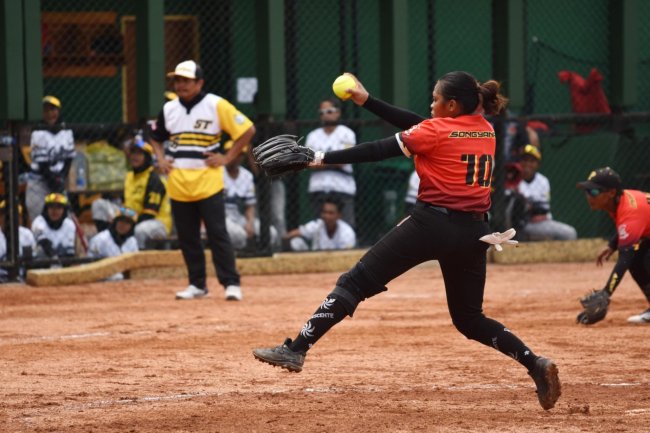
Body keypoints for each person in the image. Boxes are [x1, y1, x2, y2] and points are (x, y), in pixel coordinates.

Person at [253, 71, 561, 411]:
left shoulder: (436, 130)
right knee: (469, 319)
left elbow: (380, 149)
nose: (431, 105)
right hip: (475, 233)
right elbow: (423, 126)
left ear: (453, 105)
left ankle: (296, 349)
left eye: (436, 99)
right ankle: (536, 364)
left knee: (354, 283)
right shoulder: (484, 128)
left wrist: (320, 159)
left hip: (431, 225)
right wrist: (366, 101)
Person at [148, 60, 255, 301]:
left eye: (186, 80)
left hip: (208, 182)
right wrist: (160, 158)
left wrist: (227, 157)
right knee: (187, 236)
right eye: (177, 80)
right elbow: (154, 135)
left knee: (218, 233)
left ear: (199, 83)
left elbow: (247, 129)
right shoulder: (169, 109)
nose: (180, 85)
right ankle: (196, 284)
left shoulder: (215, 105)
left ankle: (231, 283)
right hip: (178, 183)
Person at [575, 167, 650, 324]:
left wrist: (606, 293)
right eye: (587, 191)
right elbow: (631, 226)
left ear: (610, 193)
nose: (589, 196)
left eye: (594, 192)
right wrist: (612, 245)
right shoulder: (618, 203)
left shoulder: (630, 210)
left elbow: (625, 258)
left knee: (637, 257)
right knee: (638, 256)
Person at [92, 136, 171, 249]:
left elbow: (149, 214)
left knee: (140, 230)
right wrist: (119, 217)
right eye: (133, 153)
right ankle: (110, 245)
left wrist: (126, 223)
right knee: (99, 205)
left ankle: (138, 261)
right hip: (130, 216)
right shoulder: (129, 176)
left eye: (139, 154)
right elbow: (124, 203)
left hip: (156, 223)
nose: (134, 157)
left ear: (147, 158)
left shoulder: (155, 180)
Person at [305, 98, 357, 227]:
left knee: (346, 226)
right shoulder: (313, 135)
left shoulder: (347, 133)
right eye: (322, 112)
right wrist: (334, 158)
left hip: (342, 187)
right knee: (319, 228)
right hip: (318, 187)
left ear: (338, 113)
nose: (325, 115)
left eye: (329, 111)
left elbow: (345, 160)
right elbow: (308, 162)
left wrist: (320, 160)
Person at [26, 96, 75, 223]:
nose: (50, 114)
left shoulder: (67, 132)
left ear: (58, 111)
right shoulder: (37, 133)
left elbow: (69, 160)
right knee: (38, 217)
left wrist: (61, 178)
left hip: (59, 179)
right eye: (46, 111)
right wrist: (55, 182)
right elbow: (42, 165)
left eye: (53, 110)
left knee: (65, 219)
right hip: (39, 181)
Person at [223, 140, 278, 251]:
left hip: (239, 218)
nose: (236, 157)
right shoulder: (218, 173)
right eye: (232, 153)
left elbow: (250, 206)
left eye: (240, 154)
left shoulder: (246, 175)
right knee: (239, 235)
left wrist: (250, 223)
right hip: (222, 218)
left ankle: (258, 254)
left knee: (271, 233)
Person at [516, 145, 577, 241]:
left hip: (541, 223)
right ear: (519, 162)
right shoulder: (513, 180)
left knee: (570, 233)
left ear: (538, 164)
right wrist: (530, 206)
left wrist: (527, 205)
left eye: (532, 161)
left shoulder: (543, 180)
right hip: (519, 224)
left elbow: (543, 209)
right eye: (525, 160)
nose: (528, 164)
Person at [284, 196, 356, 251]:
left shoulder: (347, 232)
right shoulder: (317, 225)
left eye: (331, 213)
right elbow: (293, 234)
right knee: (296, 242)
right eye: (324, 212)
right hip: (313, 261)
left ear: (339, 215)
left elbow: (346, 256)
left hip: (338, 265)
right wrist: (283, 240)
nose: (326, 216)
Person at [88, 207, 139, 281]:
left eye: (127, 223)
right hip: (100, 276)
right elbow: (90, 264)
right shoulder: (100, 239)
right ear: (115, 222)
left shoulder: (132, 241)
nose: (123, 225)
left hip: (123, 277)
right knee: (117, 277)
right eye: (121, 221)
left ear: (132, 227)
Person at [31, 193, 76, 260]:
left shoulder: (69, 224)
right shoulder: (38, 222)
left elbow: (69, 253)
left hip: (63, 262)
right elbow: (45, 244)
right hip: (41, 263)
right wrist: (55, 258)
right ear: (46, 209)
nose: (55, 211)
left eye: (59, 207)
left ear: (64, 210)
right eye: (51, 207)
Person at [0, 201, 36, 282]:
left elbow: (32, 260)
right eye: (5, 215)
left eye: (14, 215)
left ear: (20, 218)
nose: (8, 218)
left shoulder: (27, 234)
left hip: (22, 278)